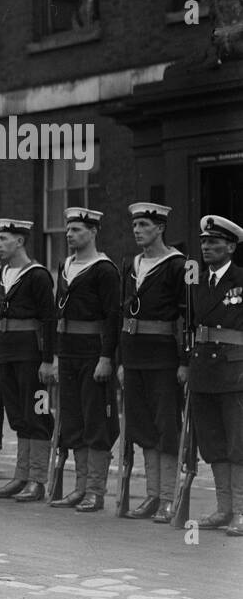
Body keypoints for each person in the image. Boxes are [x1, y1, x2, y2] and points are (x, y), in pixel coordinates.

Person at [118, 203, 187, 519]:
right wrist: (121, 359)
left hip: (163, 357)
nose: (137, 230)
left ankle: (170, 496)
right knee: (143, 425)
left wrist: (184, 362)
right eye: (134, 225)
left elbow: (188, 318)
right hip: (134, 356)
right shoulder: (129, 266)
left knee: (166, 425)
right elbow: (122, 315)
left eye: (144, 224)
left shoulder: (178, 265)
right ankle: (152, 496)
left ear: (160, 228)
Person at [49, 208, 120, 513]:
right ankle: (79, 487)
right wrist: (55, 356)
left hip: (93, 351)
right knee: (74, 419)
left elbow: (112, 317)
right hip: (67, 352)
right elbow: (57, 313)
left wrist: (106, 357)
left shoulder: (104, 269)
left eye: (77, 229)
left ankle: (95, 490)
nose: (69, 234)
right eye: (68, 229)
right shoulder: (65, 266)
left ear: (93, 232)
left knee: (96, 420)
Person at [0, 218, 55, 501]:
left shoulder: (37, 275)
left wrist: (48, 360)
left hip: (31, 356)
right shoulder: (3, 273)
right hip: (8, 355)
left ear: (20, 241)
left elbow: (49, 319)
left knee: (37, 414)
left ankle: (37, 480)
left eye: (4, 239)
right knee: (17, 415)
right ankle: (21, 476)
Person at [186, 215, 243, 535]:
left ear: (231, 246)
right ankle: (224, 509)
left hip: (235, 369)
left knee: (238, 442)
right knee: (212, 441)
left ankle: (241, 510)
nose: (207, 247)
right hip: (203, 370)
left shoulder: (241, 278)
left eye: (215, 242)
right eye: (204, 242)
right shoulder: (195, 280)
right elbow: (189, 326)